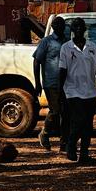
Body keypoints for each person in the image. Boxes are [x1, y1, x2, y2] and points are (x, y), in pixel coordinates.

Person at [59, 18, 96, 165]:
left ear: (85, 30)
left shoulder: (92, 47)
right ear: (72, 30)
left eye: (81, 27)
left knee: (88, 125)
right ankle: (71, 145)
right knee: (79, 120)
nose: (78, 29)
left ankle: (84, 154)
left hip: (90, 91)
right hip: (72, 91)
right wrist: (60, 91)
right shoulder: (66, 48)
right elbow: (62, 71)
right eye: (75, 27)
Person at [33, 16, 67, 151]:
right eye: (57, 25)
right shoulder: (46, 42)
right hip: (51, 83)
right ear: (53, 27)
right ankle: (45, 133)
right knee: (55, 111)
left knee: (66, 113)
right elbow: (37, 61)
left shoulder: (67, 42)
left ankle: (64, 143)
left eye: (62, 25)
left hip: (66, 83)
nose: (60, 27)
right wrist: (37, 83)